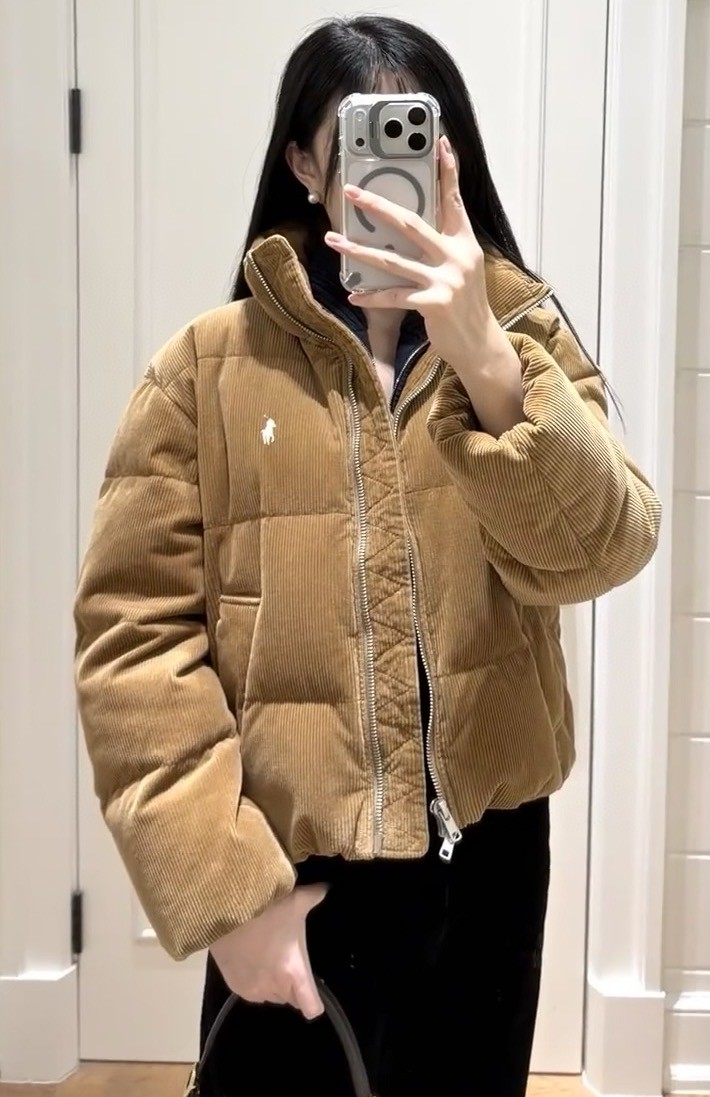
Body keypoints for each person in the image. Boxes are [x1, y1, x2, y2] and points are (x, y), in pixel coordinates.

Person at [74, 14, 661, 1097]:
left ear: (451, 154)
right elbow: (133, 644)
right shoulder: (204, 371)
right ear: (304, 163)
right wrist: (228, 898)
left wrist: (484, 356)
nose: (391, 166)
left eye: (417, 133)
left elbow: (604, 549)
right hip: (289, 879)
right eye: (357, 135)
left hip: (488, 866)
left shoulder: (522, 344)